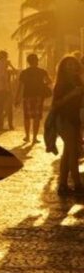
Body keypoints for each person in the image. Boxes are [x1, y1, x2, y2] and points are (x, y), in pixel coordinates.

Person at [50, 54, 83, 196]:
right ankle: (77, 184)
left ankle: (62, 184)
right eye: (68, 65)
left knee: (68, 152)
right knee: (73, 151)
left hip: (75, 120)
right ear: (63, 67)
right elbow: (55, 104)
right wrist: (72, 94)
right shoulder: (61, 83)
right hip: (64, 120)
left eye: (73, 64)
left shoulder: (77, 81)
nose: (71, 67)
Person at [15, 53, 52, 144]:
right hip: (39, 96)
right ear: (37, 61)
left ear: (28, 62)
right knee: (36, 117)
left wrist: (16, 98)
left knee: (27, 117)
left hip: (27, 96)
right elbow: (49, 81)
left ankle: (27, 136)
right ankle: (34, 138)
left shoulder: (24, 72)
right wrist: (44, 85)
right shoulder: (42, 71)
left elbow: (20, 87)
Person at [0, 50, 15, 131]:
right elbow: (3, 78)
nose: (7, 59)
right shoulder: (3, 65)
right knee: (9, 108)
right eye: (7, 57)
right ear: (4, 57)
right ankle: (10, 125)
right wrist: (7, 89)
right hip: (3, 89)